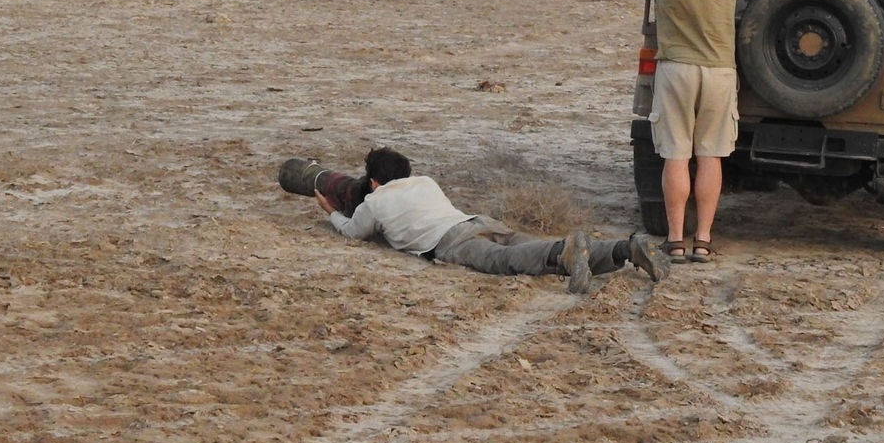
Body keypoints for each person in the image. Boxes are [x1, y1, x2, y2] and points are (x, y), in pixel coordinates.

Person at [278, 149, 669, 292]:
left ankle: (567, 252)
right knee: (521, 243)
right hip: (475, 220)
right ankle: (624, 247)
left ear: (374, 180)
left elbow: (354, 234)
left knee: (513, 261)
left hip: (451, 243)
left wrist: (331, 213)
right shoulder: (424, 180)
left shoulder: (375, 202)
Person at [636, 0, 748, 263]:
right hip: (719, 68)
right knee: (712, 155)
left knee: (676, 155)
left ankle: (675, 240)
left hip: (676, 66)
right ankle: (702, 238)